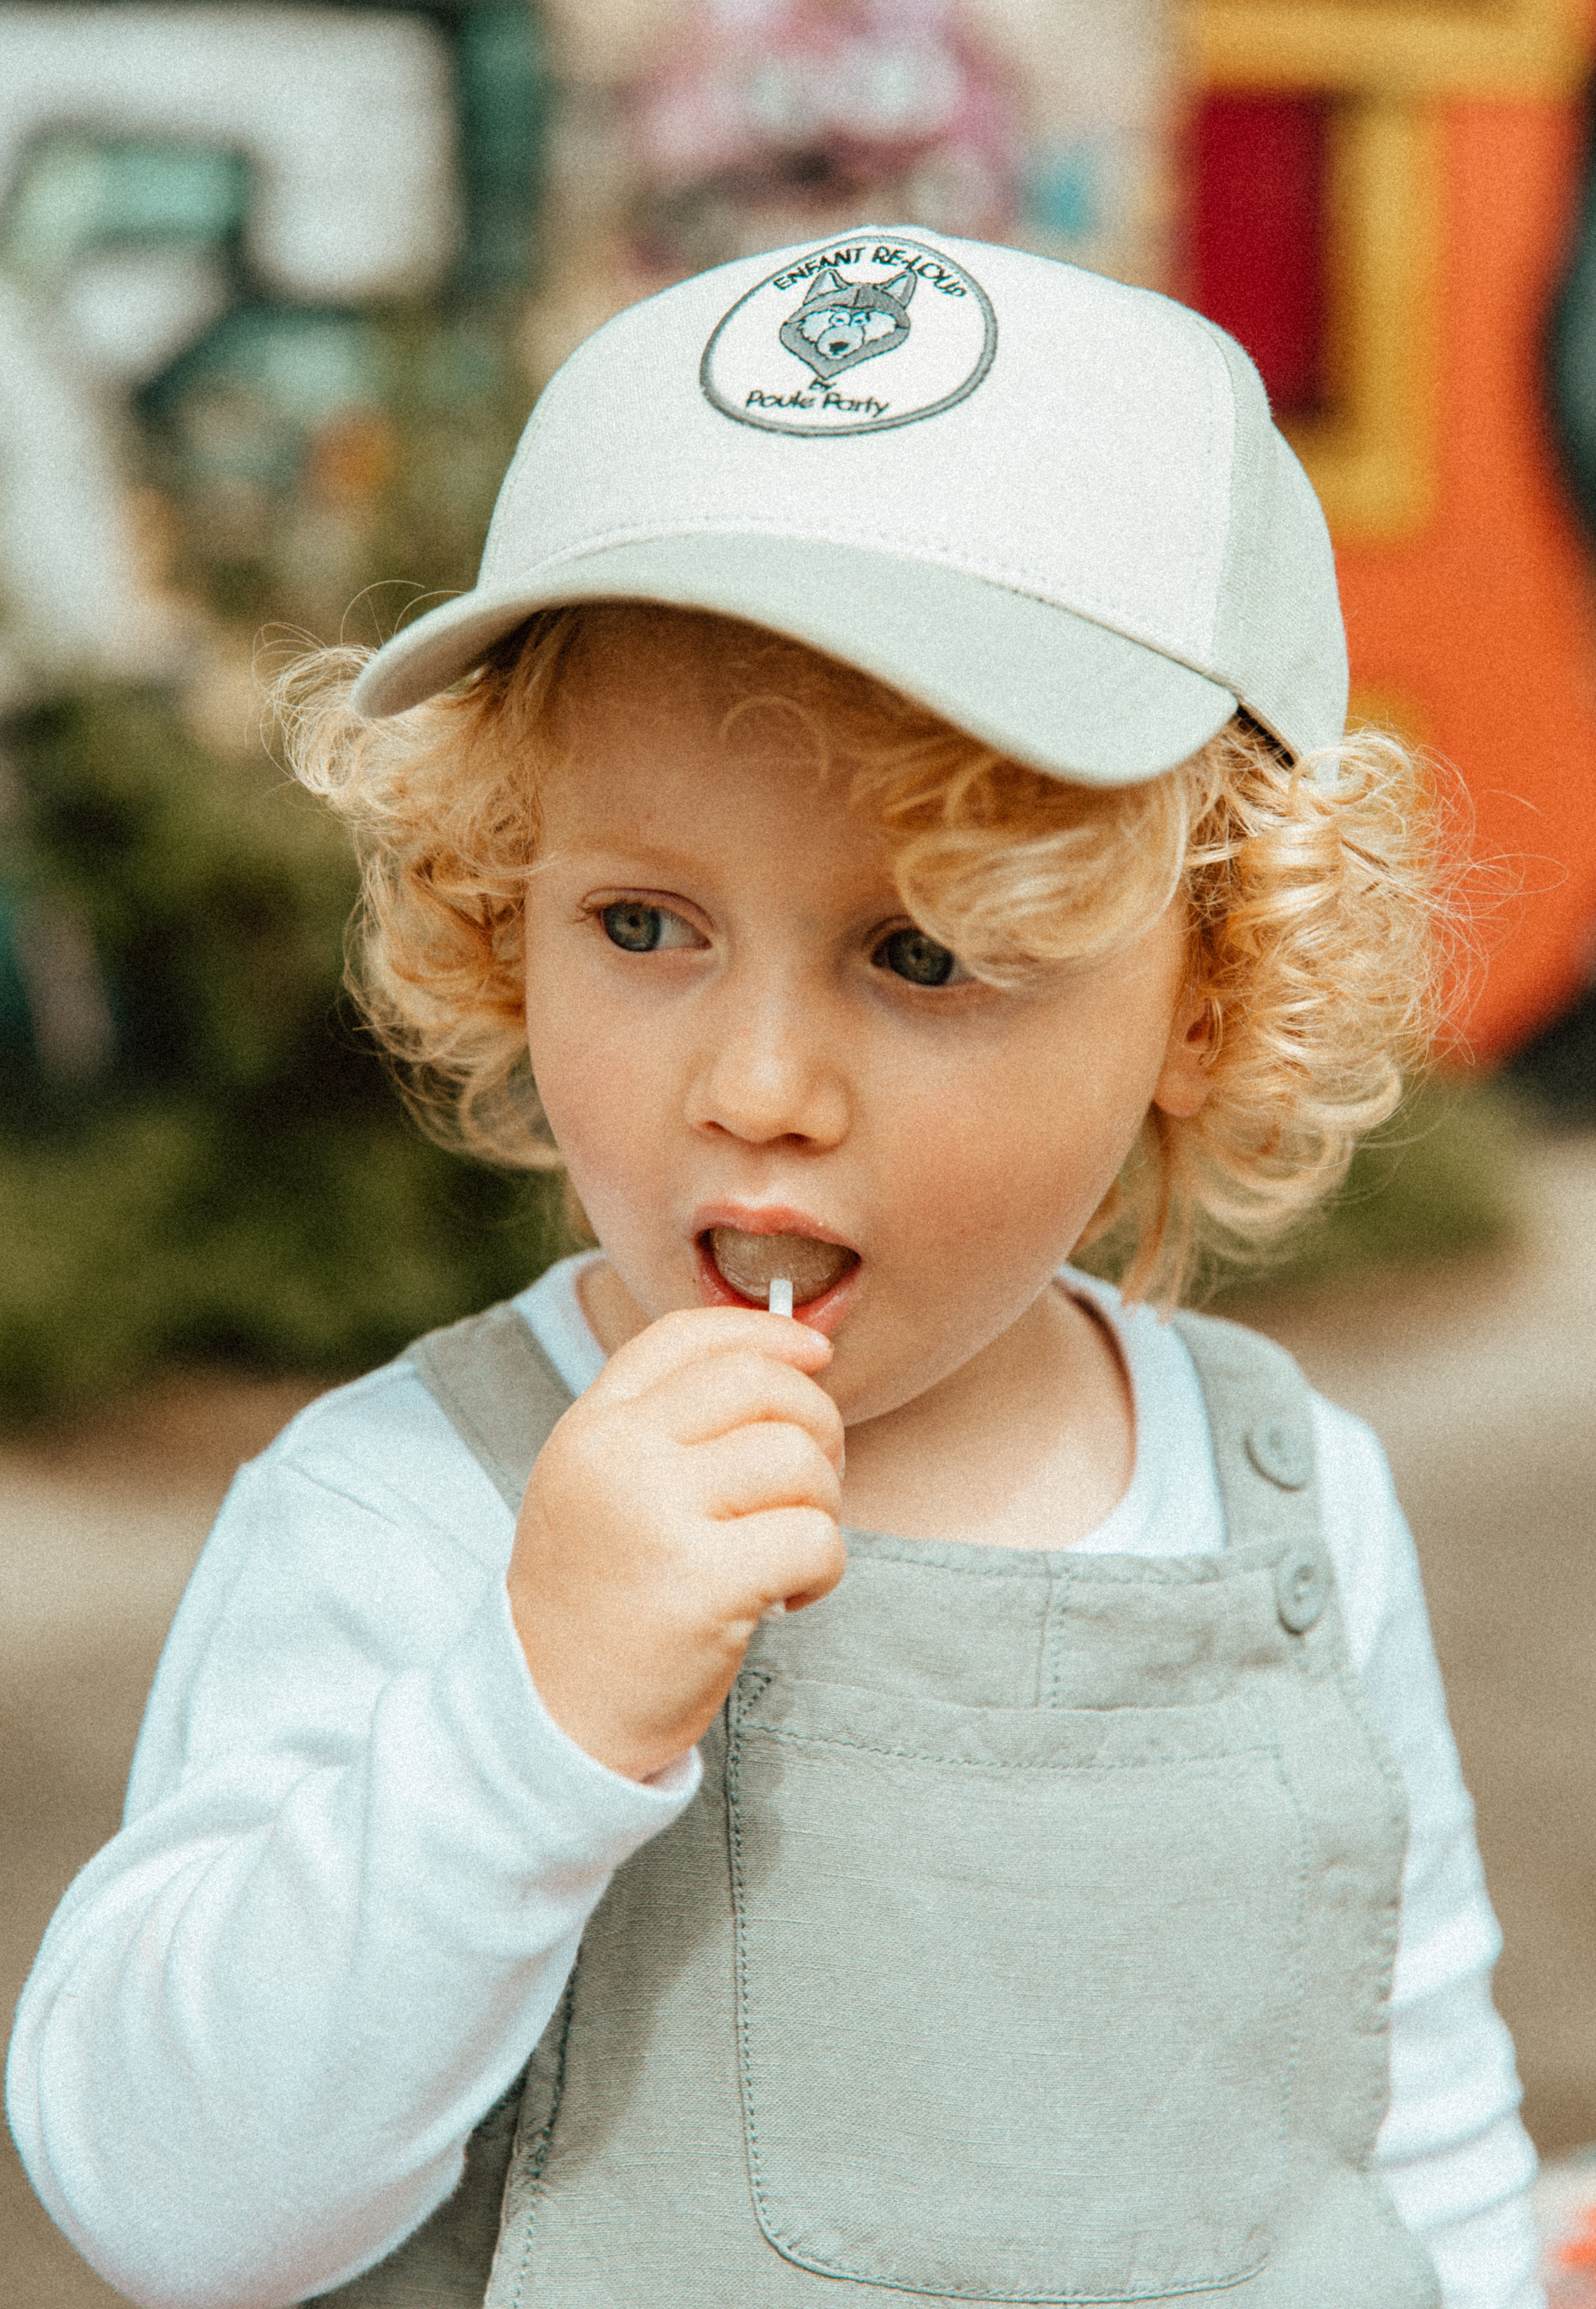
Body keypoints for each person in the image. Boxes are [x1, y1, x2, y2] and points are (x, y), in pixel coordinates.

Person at [7, 228, 1543, 2309]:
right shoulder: (417, 1514)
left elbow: (1409, 2116)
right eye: (644, 925)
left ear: (1209, 993)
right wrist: (525, 1721)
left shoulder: (1295, 1506)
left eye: (920, 951)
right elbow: (168, 2205)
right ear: (503, 908)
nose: (754, 1086)